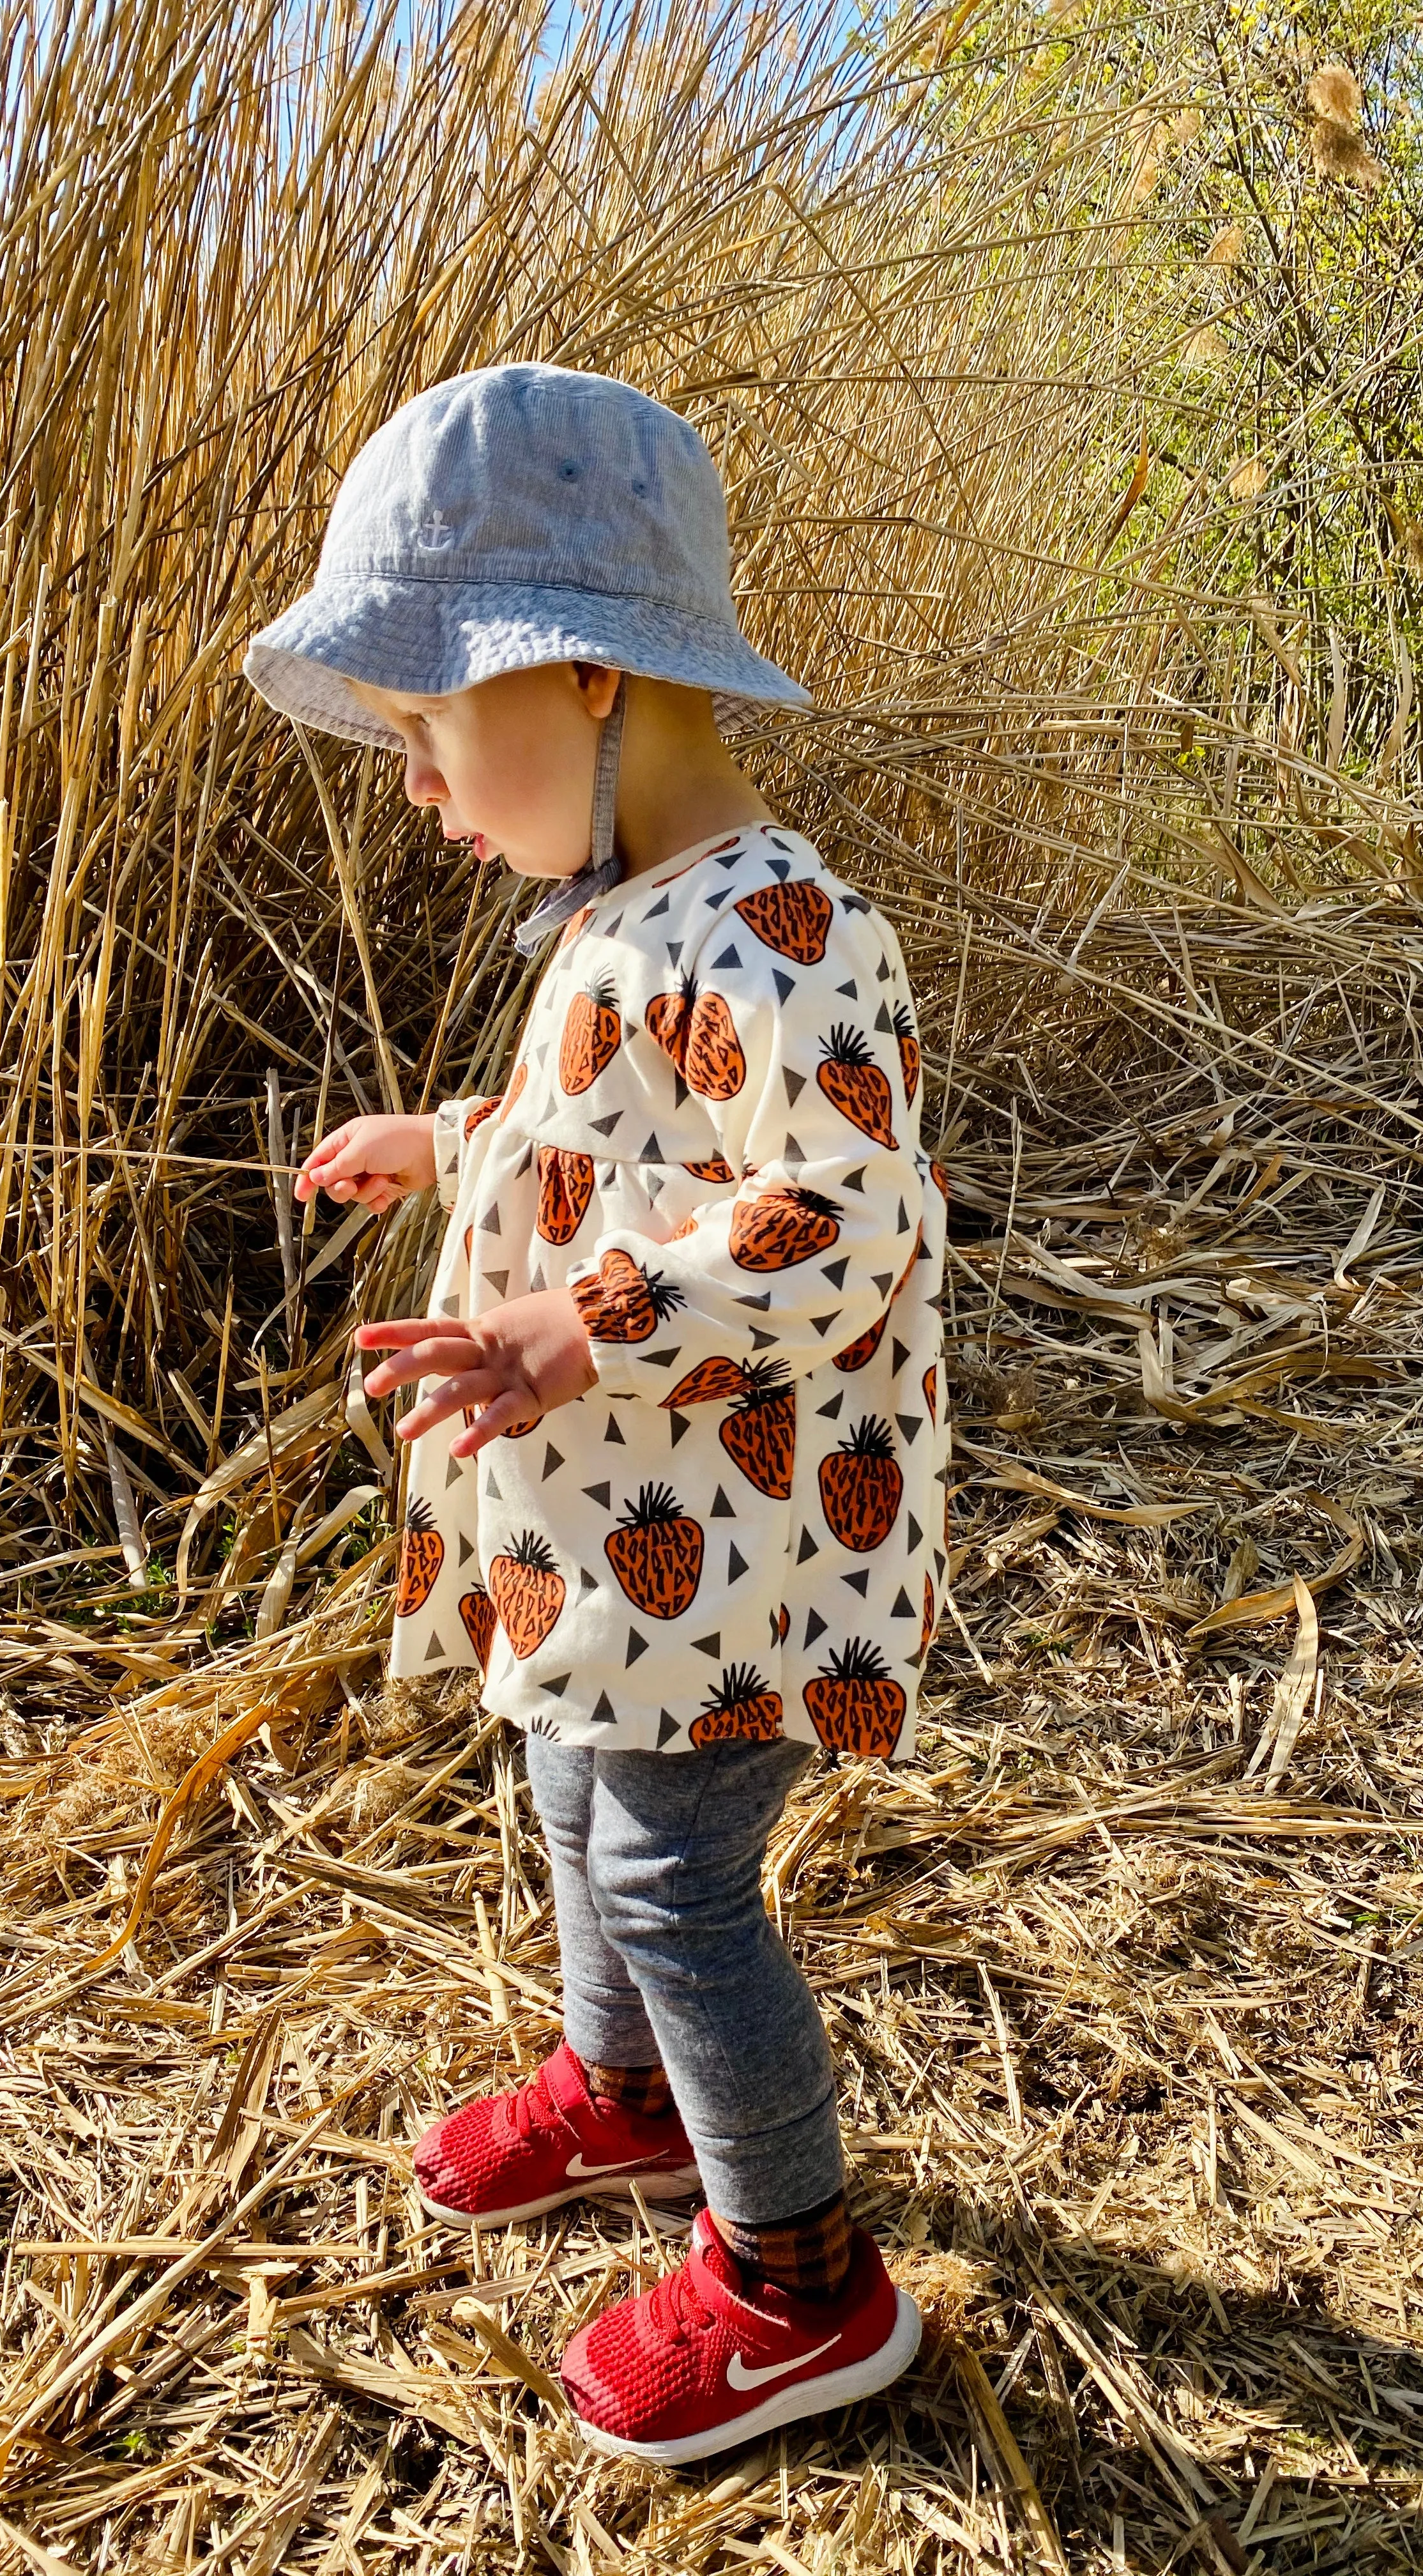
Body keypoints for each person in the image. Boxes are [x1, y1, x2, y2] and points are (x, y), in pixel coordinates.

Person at [245, 362, 950, 2465]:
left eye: (432, 733)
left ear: (580, 677)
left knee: (667, 1872)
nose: (419, 789)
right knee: (571, 1803)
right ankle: (630, 2099)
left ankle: (801, 2280)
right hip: (624, 1544)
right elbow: (614, 1143)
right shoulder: (624, 921)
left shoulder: (783, 926)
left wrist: (579, 1327)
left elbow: (847, 1212)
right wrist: (455, 1139)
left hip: (742, 1549)